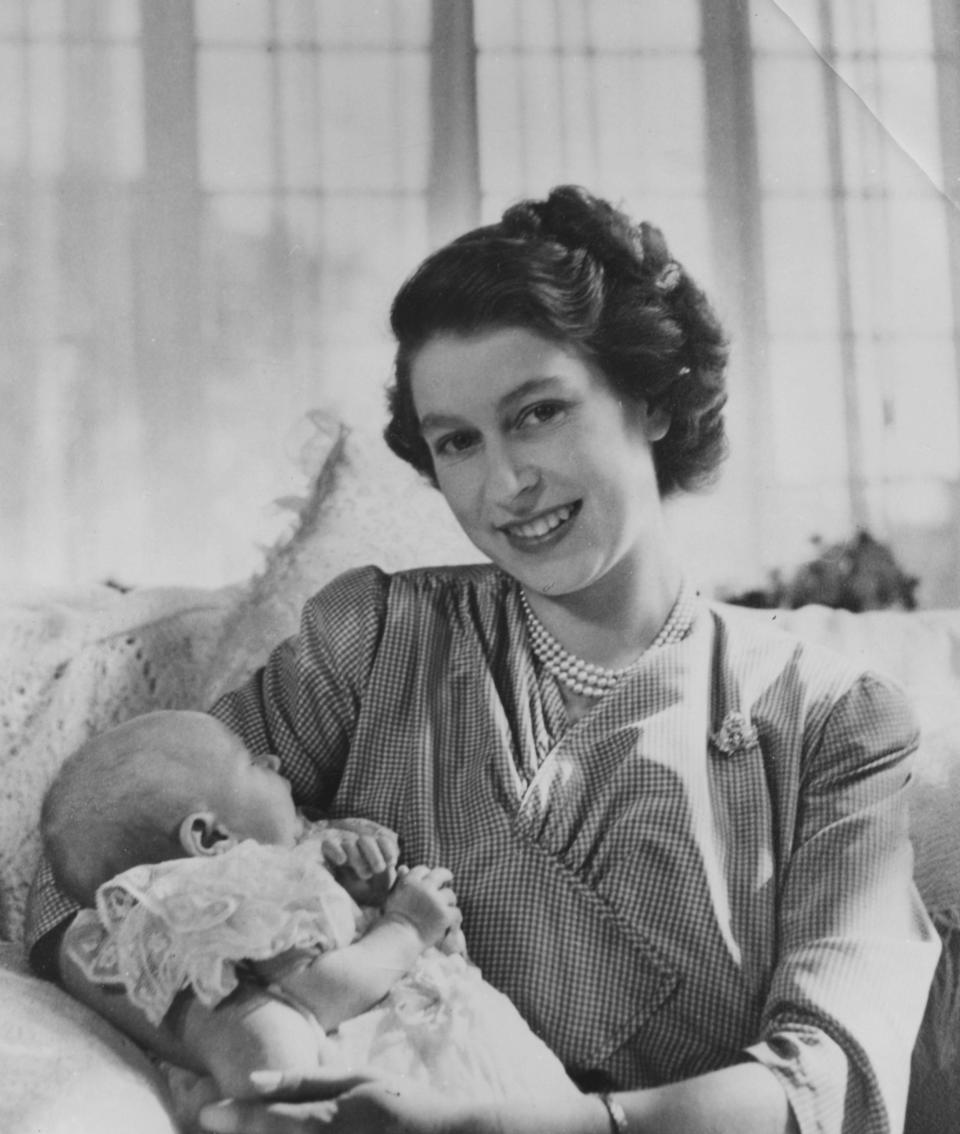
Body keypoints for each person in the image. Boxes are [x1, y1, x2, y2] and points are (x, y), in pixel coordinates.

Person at [26, 185, 939, 1134]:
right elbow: (90, 878)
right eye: (456, 441)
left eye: (538, 413)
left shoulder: (834, 723)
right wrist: (239, 1033)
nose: (503, 484)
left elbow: (832, 1075)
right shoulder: (377, 640)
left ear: (653, 399)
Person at [40, 709, 579, 1115]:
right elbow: (317, 994)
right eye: (251, 763)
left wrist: (362, 896)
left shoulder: (276, 874)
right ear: (210, 837)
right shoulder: (219, 895)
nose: (274, 760)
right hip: (398, 1086)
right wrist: (405, 927)